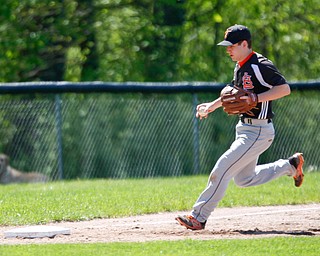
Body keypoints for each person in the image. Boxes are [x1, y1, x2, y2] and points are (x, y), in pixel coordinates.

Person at [175, 24, 304, 230]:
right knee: (244, 179)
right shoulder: (240, 65)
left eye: (231, 45)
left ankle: (198, 217)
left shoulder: (260, 65)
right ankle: (290, 165)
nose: (228, 49)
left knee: (222, 168)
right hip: (245, 129)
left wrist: (257, 98)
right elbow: (232, 93)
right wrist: (211, 106)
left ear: (245, 44)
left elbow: (285, 89)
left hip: (259, 130)